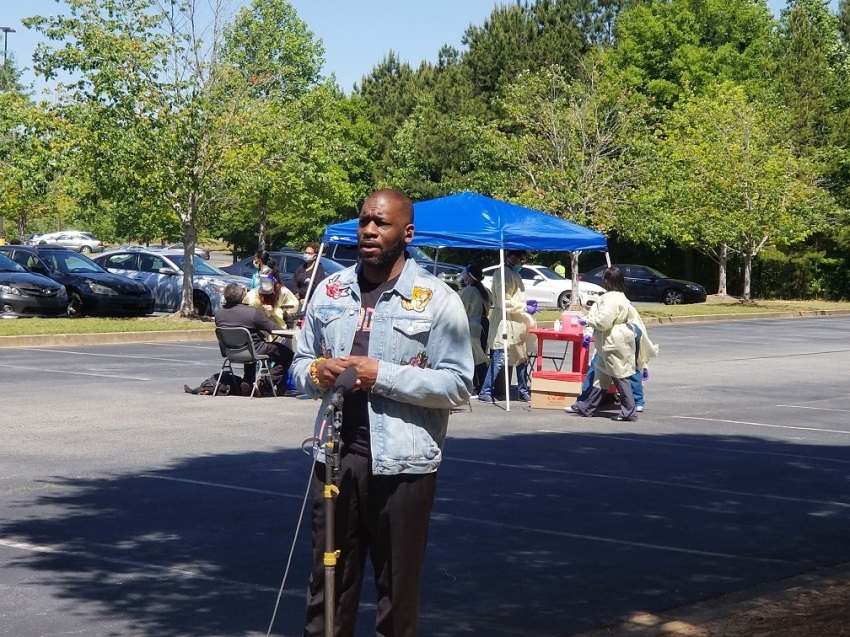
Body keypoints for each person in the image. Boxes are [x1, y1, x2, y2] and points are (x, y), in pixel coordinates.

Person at [291, 188, 473, 637]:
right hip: (334, 459)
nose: (369, 230)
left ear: (407, 233)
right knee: (328, 584)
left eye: (382, 223)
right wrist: (318, 370)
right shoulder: (331, 290)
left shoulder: (436, 299)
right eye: (364, 221)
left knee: (397, 590)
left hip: (404, 465)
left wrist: (381, 375)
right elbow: (296, 366)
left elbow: (457, 385)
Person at [568, 267, 658, 421]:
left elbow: (603, 322)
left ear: (607, 281)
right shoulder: (622, 297)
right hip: (613, 341)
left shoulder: (610, 299)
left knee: (620, 375)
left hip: (612, 341)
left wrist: (587, 320)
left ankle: (629, 410)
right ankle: (587, 406)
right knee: (601, 376)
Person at [565, 313, 657, 414]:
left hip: (617, 337)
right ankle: (633, 405)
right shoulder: (618, 302)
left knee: (609, 371)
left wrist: (587, 325)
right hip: (624, 334)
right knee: (621, 370)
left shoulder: (609, 302)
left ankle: (585, 403)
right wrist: (588, 330)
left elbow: (602, 320)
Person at [215, 282, 294, 395]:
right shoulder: (251, 313)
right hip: (254, 350)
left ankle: (247, 380)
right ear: (242, 296)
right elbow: (273, 328)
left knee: (249, 342)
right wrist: (290, 333)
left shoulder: (219, 314)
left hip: (231, 351)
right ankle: (264, 384)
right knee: (287, 354)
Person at [477, 250, 532, 403]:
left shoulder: (514, 274)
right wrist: (522, 308)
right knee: (499, 356)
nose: (522, 263)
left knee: (521, 357)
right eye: (521, 260)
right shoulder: (502, 274)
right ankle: (485, 390)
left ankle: (522, 390)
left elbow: (516, 297)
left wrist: (524, 307)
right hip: (504, 321)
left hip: (515, 321)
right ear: (512, 257)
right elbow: (504, 300)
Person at [458, 263, 491, 394]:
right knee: (481, 354)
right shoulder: (485, 290)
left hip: (473, 326)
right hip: (483, 324)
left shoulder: (469, 291)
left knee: (472, 356)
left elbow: (461, 308)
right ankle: (482, 384)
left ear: (470, 276)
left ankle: (472, 384)